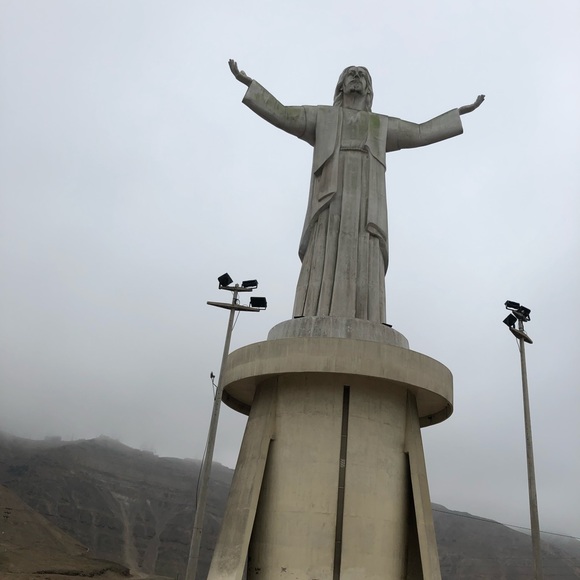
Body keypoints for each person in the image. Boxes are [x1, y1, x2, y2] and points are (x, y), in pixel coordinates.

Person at [229, 60, 484, 323]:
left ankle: (366, 316)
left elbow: (419, 132)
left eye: (361, 75)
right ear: (341, 86)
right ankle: (315, 311)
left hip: (367, 202)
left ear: (368, 89)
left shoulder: (380, 124)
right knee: (324, 244)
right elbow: (283, 114)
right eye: (350, 74)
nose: (356, 76)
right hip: (330, 197)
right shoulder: (322, 116)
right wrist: (251, 86)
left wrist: (457, 115)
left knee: (366, 244)